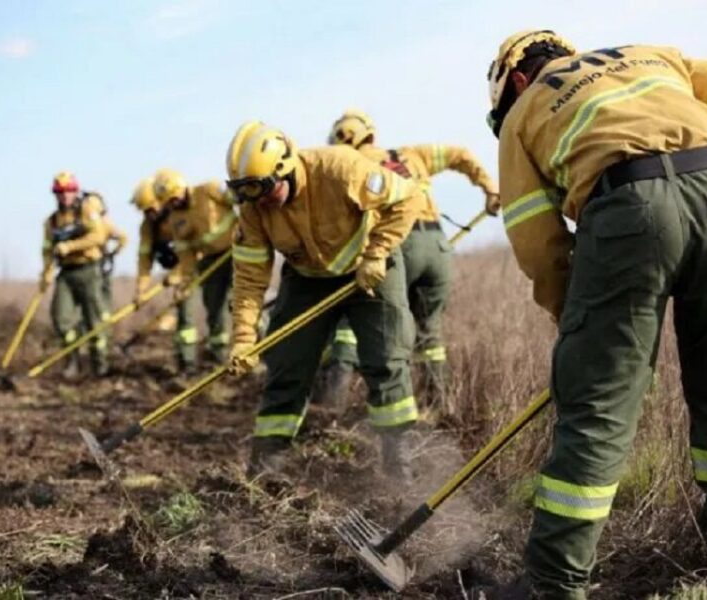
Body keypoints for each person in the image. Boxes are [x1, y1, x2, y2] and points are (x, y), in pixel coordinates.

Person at [484, 30, 707, 598]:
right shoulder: (653, 55)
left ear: (516, 80)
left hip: (627, 209)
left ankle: (553, 582)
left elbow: (538, 242)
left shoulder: (524, 109)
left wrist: (577, 324)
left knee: (597, 408)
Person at [225, 121, 422, 479]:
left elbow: (408, 197)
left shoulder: (341, 168)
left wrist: (377, 252)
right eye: (248, 194)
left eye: (264, 189)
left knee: (386, 359)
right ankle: (265, 470)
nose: (259, 201)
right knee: (286, 363)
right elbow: (250, 278)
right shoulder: (254, 210)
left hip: (368, 268)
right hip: (307, 278)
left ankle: (399, 468)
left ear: (285, 168)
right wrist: (242, 337)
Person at [323, 109, 499, 404]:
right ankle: (441, 403)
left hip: (399, 246)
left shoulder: (350, 165)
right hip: (437, 248)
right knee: (430, 332)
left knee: (355, 317)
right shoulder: (412, 155)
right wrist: (490, 189)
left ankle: (334, 400)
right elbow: (461, 155)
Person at [151, 168, 237, 367]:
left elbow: (239, 203)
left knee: (241, 302)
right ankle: (220, 357)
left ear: (182, 188)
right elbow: (186, 254)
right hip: (210, 261)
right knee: (214, 309)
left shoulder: (209, 189)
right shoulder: (175, 219)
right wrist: (186, 282)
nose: (173, 203)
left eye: (174, 198)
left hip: (237, 252)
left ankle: (265, 349)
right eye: (168, 202)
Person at [40, 171, 110, 378]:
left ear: (75, 191)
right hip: (66, 274)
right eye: (60, 192)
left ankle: (100, 365)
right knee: (61, 319)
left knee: (94, 322)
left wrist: (70, 246)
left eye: (68, 191)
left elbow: (98, 236)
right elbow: (47, 249)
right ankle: (72, 360)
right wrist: (46, 272)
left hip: (89, 270)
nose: (64, 196)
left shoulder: (87, 210)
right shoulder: (52, 221)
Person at [132, 177, 197, 371]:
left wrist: (177, 273)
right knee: (184, 312)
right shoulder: (148, 227)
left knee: (220, 306)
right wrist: (141, 290)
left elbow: (195, 248)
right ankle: (187, 362)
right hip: (180, 273)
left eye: (151, 209)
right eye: (145, 211)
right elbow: (144, 260)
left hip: (198, 264)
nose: (149, 215)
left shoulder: (180, 216)